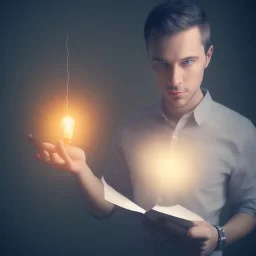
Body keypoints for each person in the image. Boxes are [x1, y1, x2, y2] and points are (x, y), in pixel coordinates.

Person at [28, 0, 256, 255]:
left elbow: (251, 208)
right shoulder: (130, 127)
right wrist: (81, 169)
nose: (174, 79)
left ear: (208, 56)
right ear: (149, 58)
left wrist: (218, 236)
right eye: (162, 63)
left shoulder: (239, 131)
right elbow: (106, 207)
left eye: (187, 62)